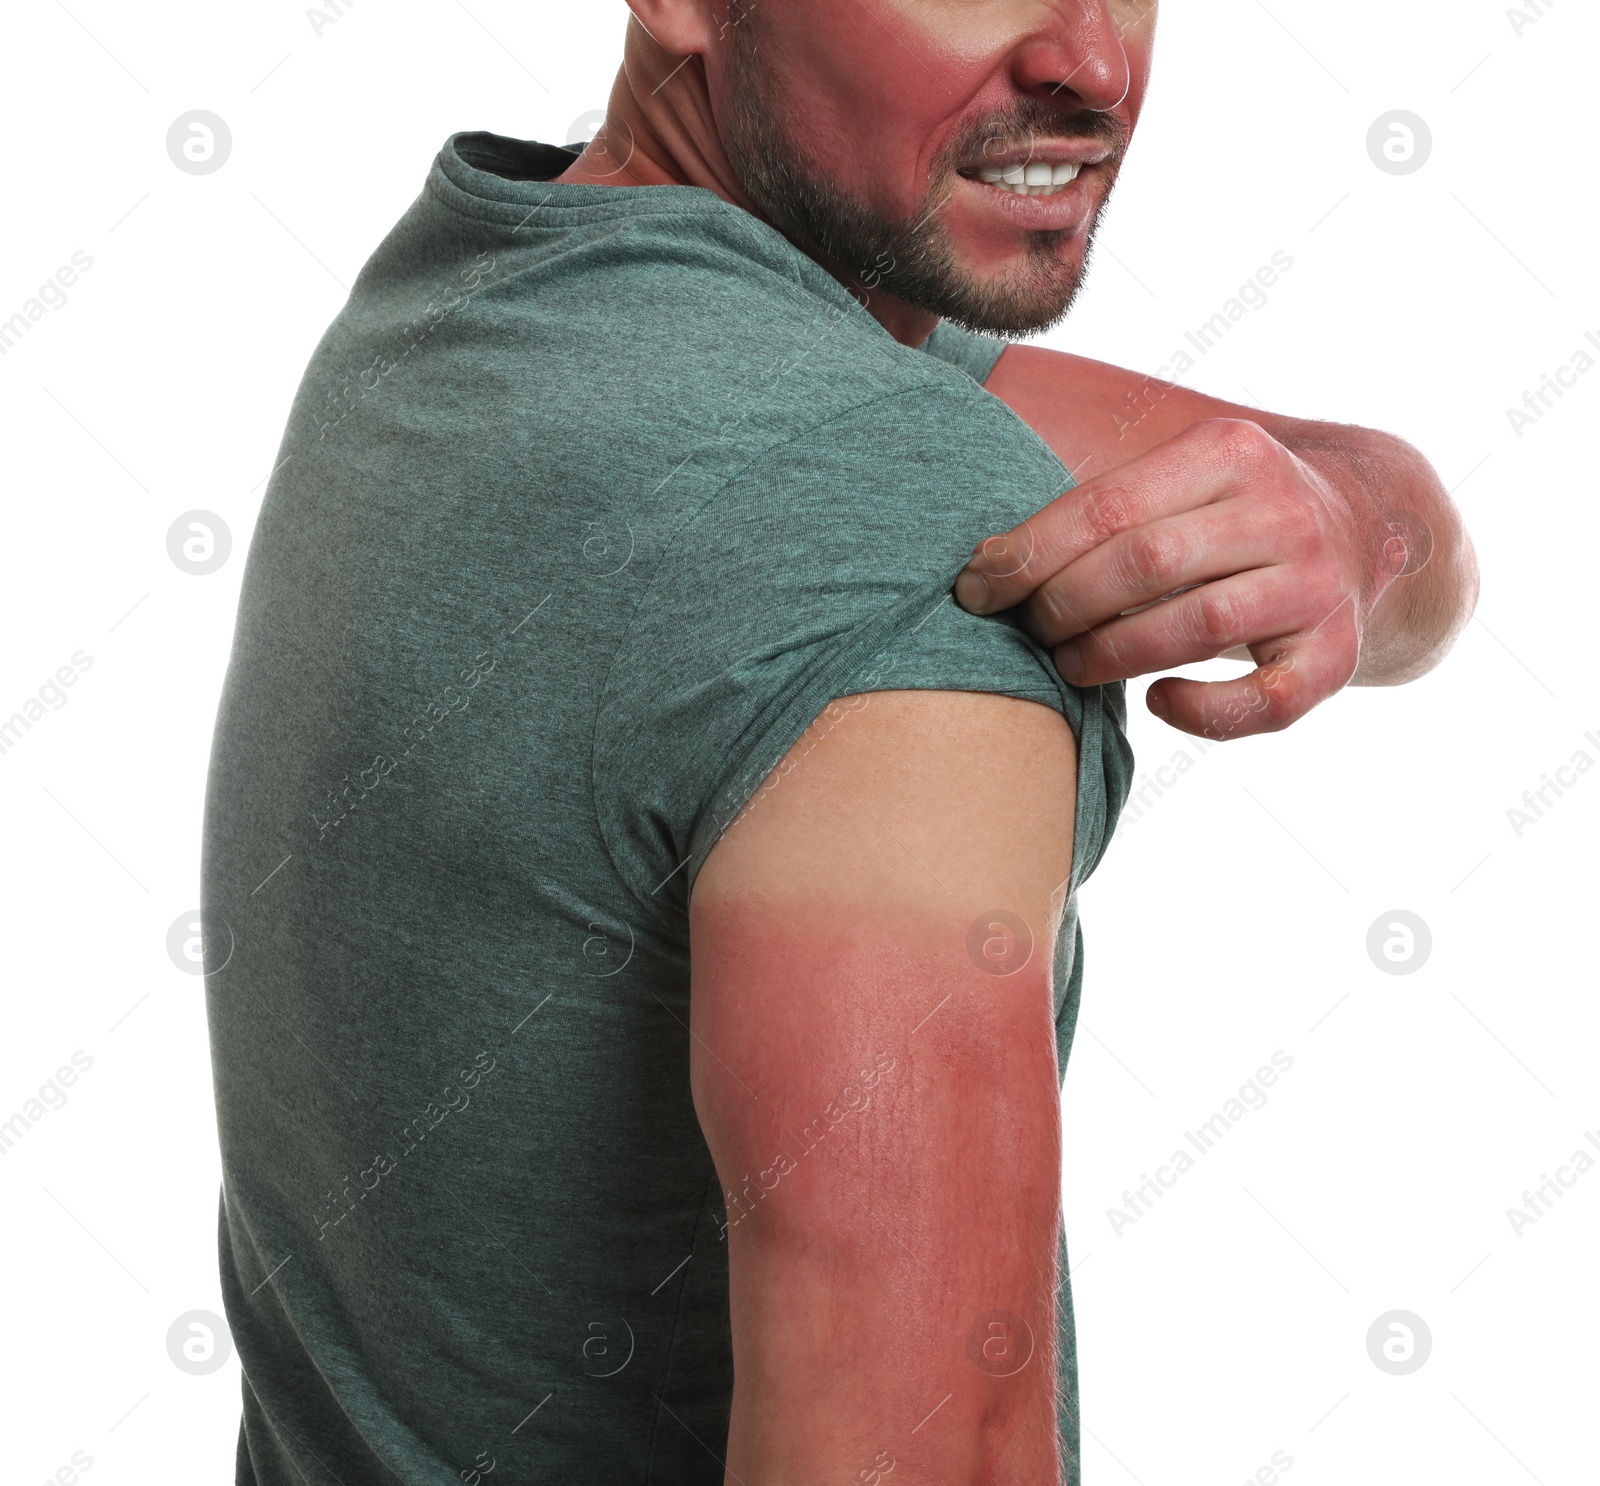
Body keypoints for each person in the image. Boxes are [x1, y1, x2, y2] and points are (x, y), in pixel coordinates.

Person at [200, 3, 1474, 1483]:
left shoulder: (480, 291)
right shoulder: (882, 490)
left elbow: (1393, 515)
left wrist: (1351, 534)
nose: (1095, 63)